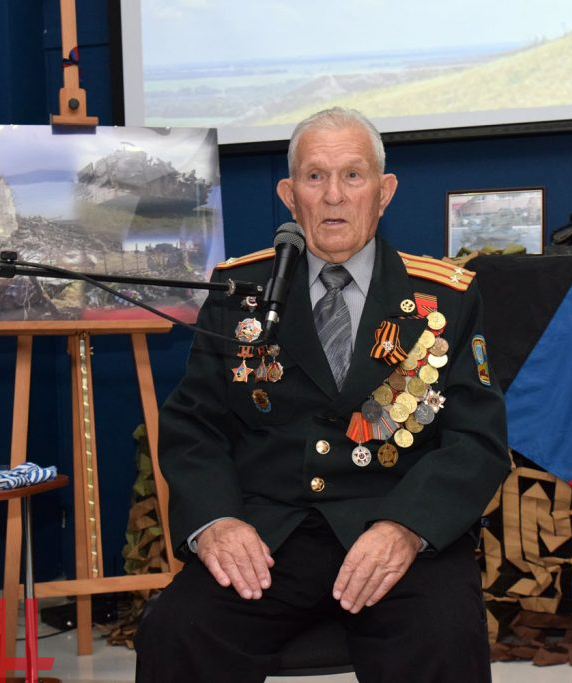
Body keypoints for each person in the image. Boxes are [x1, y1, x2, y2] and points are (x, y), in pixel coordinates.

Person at [135, 107, 509, 682]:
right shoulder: (240, 293)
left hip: (395, 529)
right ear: (290, 196)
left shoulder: (447, 299)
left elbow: (476, 439)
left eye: (352, 176)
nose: (334, 195)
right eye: (315, 177)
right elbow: (194, 426)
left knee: (444, 637)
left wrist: (407, 527)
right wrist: (216, 522)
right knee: (178, 631)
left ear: (384, 193)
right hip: (270, 532)